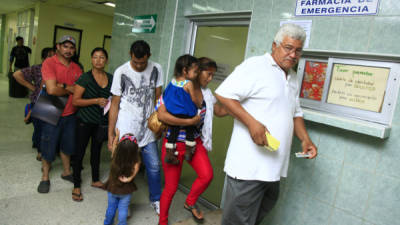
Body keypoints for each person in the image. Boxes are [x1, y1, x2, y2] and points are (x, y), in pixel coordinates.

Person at [215, 23, 318, 225]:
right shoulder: (255, 66)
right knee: (237, 221)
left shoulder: (293, 76)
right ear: (274, 45)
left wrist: (305, 139)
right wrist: (252, 123)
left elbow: (295, 112)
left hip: (274, 168)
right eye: (288, 48)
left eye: (298, 50)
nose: (293, 54)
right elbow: (224, 94)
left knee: (257, 216)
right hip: (248, 168)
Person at [157, 57, 228, 225]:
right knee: (171, 188)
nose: (210, 79)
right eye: (208, 74)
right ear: (195, 72)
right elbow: (162, 115)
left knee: (207, 175)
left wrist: (239, 107)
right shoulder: (176, 88)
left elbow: (218, 110)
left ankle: (190, 201)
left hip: (194, 143)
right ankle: (162, 221)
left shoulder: (207, 94)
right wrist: (188, 122)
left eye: (213, 75)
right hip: (173, 145)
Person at [108, 40, 163, 214]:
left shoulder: (156, 69)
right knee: (125, 166)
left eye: (142, 62)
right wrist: (110, 133)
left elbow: (158, 97)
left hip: (147, 129)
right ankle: (124, 202)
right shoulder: (121, 72)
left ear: (149, 56)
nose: (139, 66)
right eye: (135, 62)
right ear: (130, 55)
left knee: (154, 166)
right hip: (126, 127)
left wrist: (160, 124)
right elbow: (114, 104)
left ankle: (156, 199)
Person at [37, 35, 83, 193]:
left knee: (67, 145)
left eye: (71, 47)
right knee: (48, 144)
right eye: (65, 46)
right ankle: (45, 177)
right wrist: (68, 87)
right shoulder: (49, 63)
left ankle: (66, 172)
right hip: (51, 109)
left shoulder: (77, 68)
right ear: (58, 46)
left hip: (70, 113)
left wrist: (61, 85)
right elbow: (51, 89)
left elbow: (78, 90)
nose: (68, 50)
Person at [71, 47, 113, 201]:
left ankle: (95, 180)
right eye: (95, 57)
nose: (98, 60)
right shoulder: (85, 78)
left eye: (102, 57)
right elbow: (76, 101)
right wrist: (95, 101)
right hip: (84, 121)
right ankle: (76, 185)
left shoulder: (111, 78)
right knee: (80, 152)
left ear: (106, 60)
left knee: (96, 151)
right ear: (91, 59)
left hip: (101, 123)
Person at [13, 47, 55, 161]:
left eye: (54, 56)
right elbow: (17, 74)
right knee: (39, 128)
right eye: (50, 56)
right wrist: (32, 87)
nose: (53, 58)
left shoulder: (57, 69)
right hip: (37, 101)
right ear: (43, 58)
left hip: (53, 102)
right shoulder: (37, 68)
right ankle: (40, 150)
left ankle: (45, 147)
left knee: (48, 128)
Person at [163, 54, 201, 165]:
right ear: (185, 70)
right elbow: (193, 98)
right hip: (185, 113)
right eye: (195, 71)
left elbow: (167, 94)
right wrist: (199, 105)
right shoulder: (188, 83)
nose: (196, 74)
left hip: (173, 113)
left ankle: (169, 154)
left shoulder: (173, 80)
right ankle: (189, 150)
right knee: (190, 127)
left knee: (173, 132)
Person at [104, 129, 141, 225]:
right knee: (123, 210)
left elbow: (114, 145)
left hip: (112, 187)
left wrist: (116, 136)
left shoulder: (115, 155)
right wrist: (129, 179)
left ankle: (107, 223)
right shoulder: (136, 161)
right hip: (126, 190)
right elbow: (136, 169)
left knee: (111, 208)